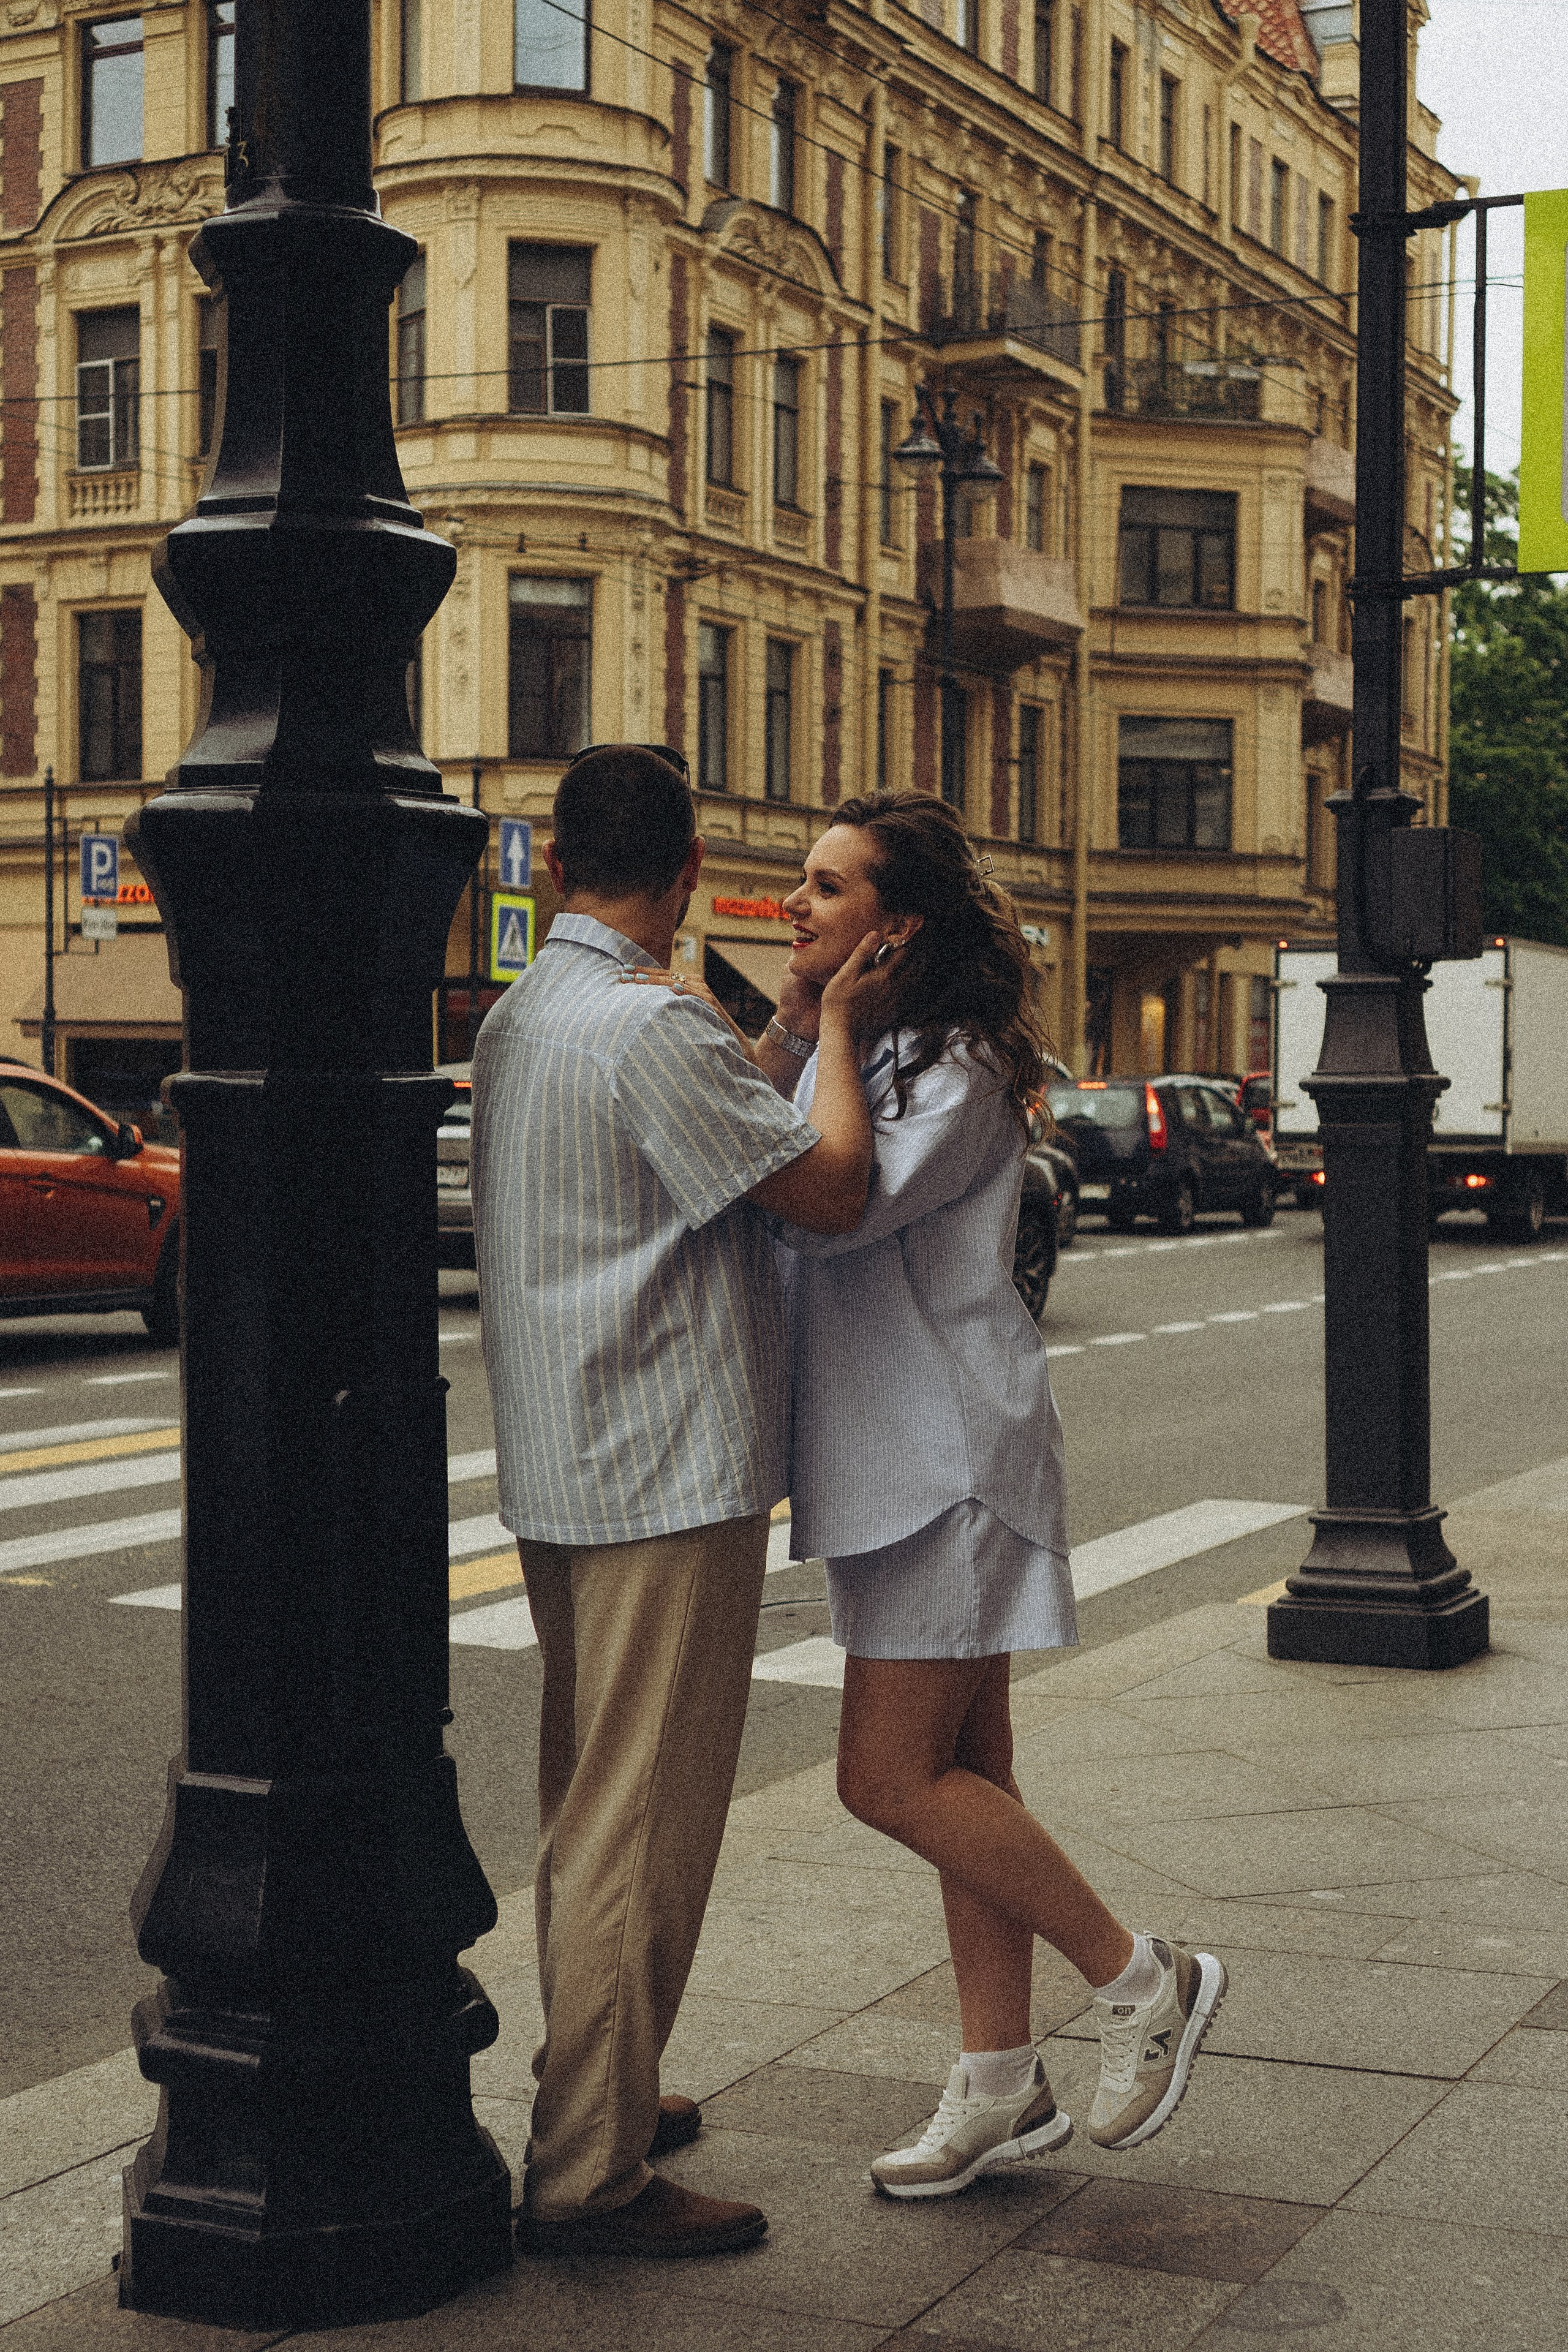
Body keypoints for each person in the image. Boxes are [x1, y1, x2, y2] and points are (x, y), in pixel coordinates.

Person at [767, 791, 1227, 2200]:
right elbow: (759, 1129)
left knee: (886, 1779)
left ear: (895, 927)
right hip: (887, 1456)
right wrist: (805, 1018)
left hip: (942, 1459)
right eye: (800, 880)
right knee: (972, 1780)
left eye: (827, 886)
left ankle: (1142, 1976)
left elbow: (829, 1199)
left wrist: (828, 1032)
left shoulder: (950, 1066)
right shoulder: (882, 1046)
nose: (796, 903)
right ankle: (996, 2085)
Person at [470, 745, 885, 2258]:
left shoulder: (529, 1015)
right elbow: (825, 1188)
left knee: (588, 1803)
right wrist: (834, 1022)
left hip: (568, 1462)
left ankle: (606, 2085)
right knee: (635, 1825)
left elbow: (704, 1137)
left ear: (560, 863)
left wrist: (767, 1030)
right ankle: (590, 2169)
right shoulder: (650, 1026)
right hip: (661, 1465)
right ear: (691, 867)